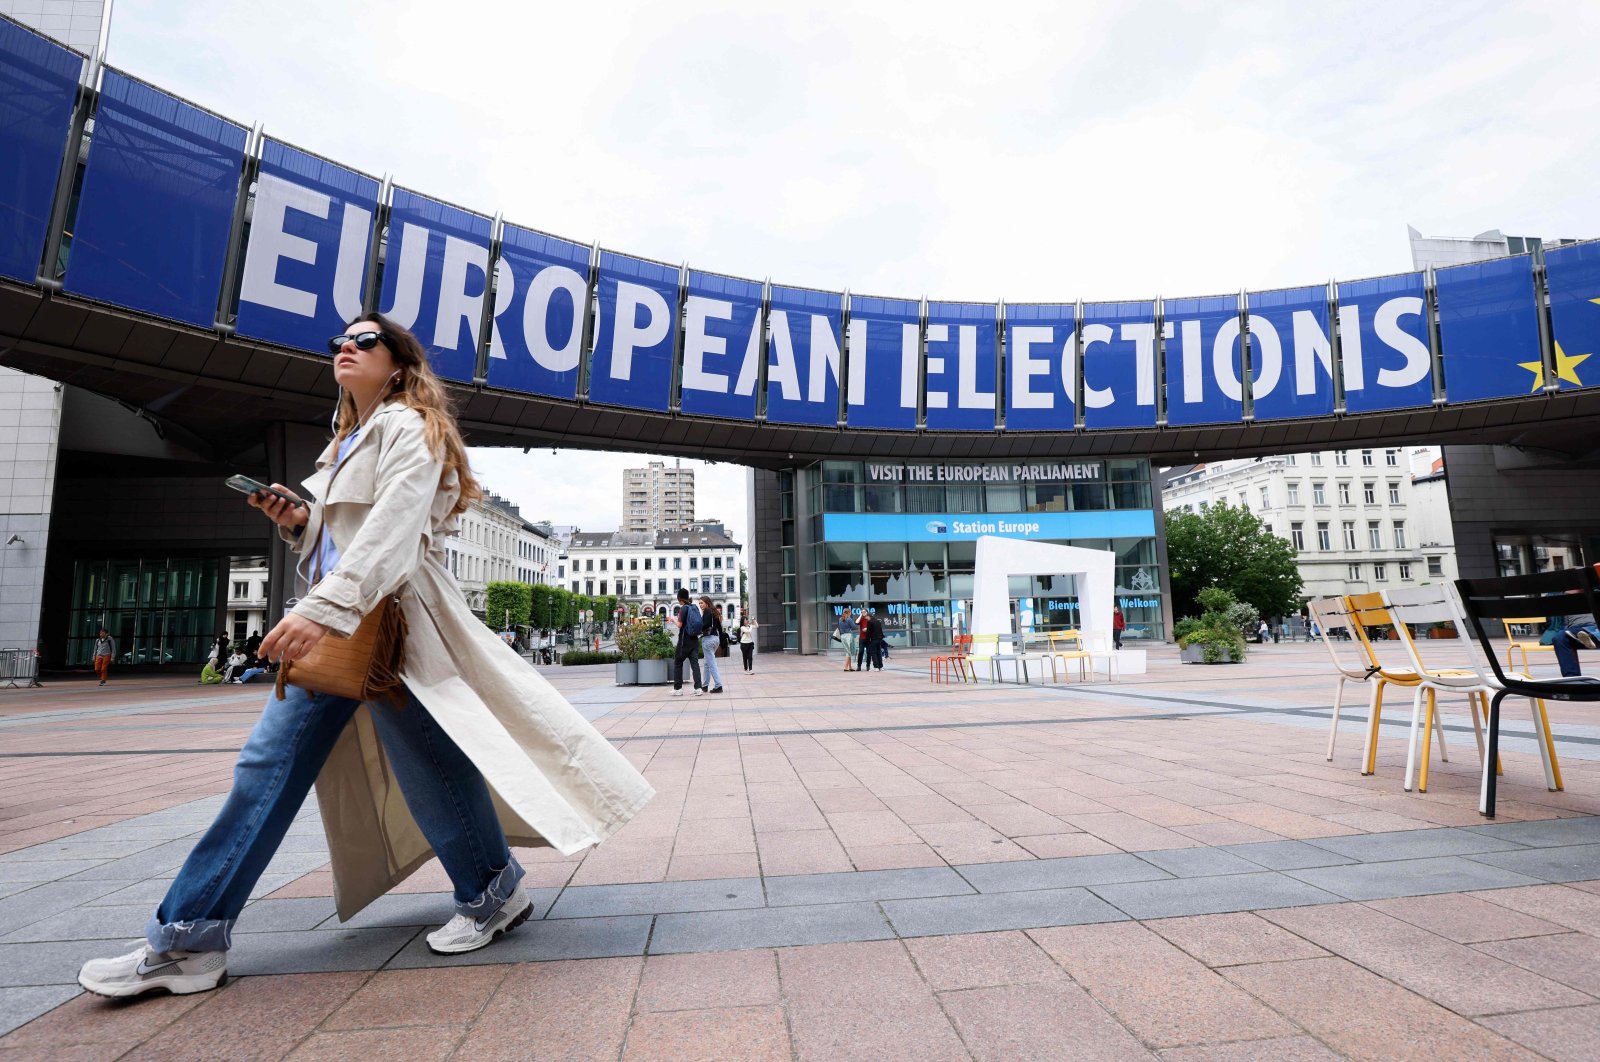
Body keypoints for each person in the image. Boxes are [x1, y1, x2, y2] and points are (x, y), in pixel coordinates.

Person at [78, 313, 653, 999]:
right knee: (278, 770)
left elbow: (393, 528)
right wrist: (302, 521)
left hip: (392, 629)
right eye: (338, 344)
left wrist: (320, 610)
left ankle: (491, 894)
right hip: (351, 629)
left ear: (400, 364)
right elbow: (349, 534)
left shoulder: (411, 426)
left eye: (363, 341)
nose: (344, 349)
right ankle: (189, 938)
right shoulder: (346, 440)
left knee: (425, 770)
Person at [671, 587, 705, 696]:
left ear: (679, 598)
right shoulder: (694, 607)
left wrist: (673, 620)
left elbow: (680, 625)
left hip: (684, 640)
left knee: (678, 663)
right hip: (694, 640)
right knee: (695, 664)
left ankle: (678, 689)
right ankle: (698, 688)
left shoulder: (683, 609)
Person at [1554, 609, 1599, 677]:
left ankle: (1591, 637)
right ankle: (1571, 678)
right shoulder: (1567, 602)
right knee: (1559, 637)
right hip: (1575, 630)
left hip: (1594, 627)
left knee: (1591, 631)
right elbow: (1563, 624)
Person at [698, 595, 725, 694]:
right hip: (715, 639)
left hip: (708, 639)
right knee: (707, 663)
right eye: (699, 603)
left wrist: (697, 628)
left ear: (707, 603)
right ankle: (705, 685)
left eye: (702, 603)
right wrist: (722, 643)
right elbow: (720, 628)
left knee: (711, 663)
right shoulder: (714, 612)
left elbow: (705, 624)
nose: (700, 605)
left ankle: (718, 686)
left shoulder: (707, 611)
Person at [856, 607, 871, 672]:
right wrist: (860, 615)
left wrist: (867, 629)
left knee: (868, 652)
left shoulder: (869, 618)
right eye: (862, 612)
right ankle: (859, 666)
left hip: (868, 638)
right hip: (862, 638)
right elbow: (856, 622)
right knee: (860, 652)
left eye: (864, 612)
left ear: (867, 612)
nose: (863, 613)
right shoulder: (861, 618)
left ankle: (868, 666)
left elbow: (873, 627)